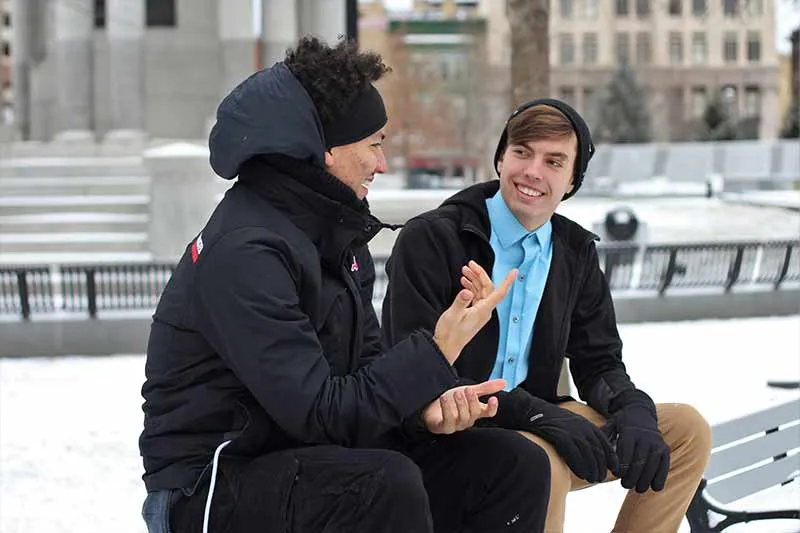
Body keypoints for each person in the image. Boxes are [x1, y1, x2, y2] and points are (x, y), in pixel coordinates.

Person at [139, 36, 553, 533]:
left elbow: (363, 377)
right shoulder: (247, 251)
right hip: (209, 487)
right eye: (374, 143)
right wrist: (437, 350)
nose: (382, 163)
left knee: (511, 465)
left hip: (307, 459)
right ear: (326, 150)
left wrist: (425, 412)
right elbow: (319, 412)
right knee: (383, 483)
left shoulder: (334, 236)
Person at [382, 98, 713, 533]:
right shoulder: (435, 238)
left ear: (572, 179)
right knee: (540, 460)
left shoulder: (573, 253)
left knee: (685, 430)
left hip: (542, 419)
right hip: (452, 428)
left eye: (554, 161)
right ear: (501, 157)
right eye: (522, 152)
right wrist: (536, 414)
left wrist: (632, 409)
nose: (533, 172)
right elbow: (411, 368)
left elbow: (599, 362)